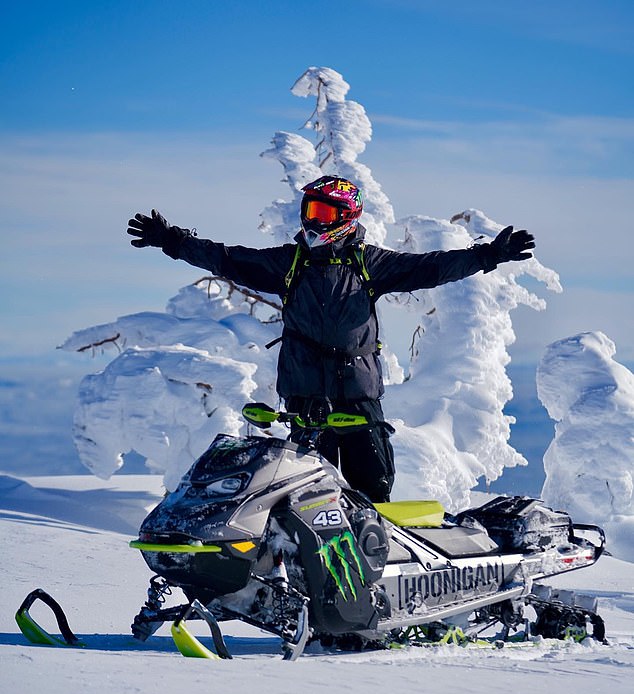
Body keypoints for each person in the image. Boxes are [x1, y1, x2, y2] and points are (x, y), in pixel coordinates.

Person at [127, 175, 534, 502]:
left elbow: (431, 267)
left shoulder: (369, 262)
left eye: (323, 211)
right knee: (307, 496)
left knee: (372, 491)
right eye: (310, 210)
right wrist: (174, 241)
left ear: (346, 217)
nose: (314, 220)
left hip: (358, 397)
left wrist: (485, 256)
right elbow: (227, 258)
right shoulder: (289, 262)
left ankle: (379, 567)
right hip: (305, 400)